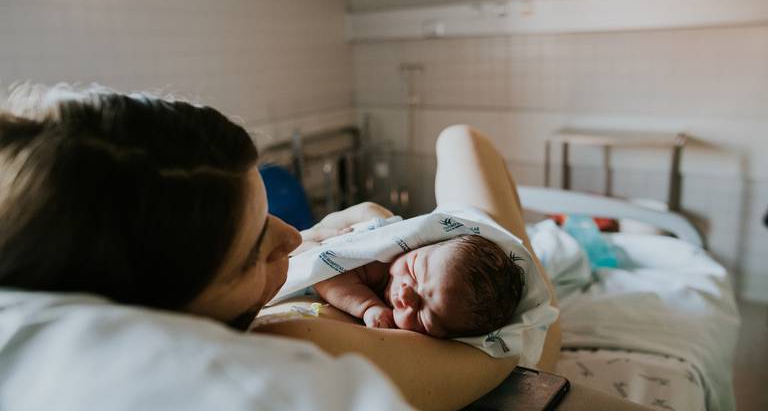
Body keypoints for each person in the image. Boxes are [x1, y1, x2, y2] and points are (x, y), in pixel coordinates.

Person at [0, 85, 651, 410]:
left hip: (454, 246)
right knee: (463, 142)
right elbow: (497, 350)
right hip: (512, 297)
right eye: (257, 249)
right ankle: (549, 248)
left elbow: (309, 247)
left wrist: (327, 237)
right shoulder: (296, 345)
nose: (293, 236)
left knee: (460, 138)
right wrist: (511, 278)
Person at [313, 233, 525, 337]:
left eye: (424, 316)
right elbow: (324, 275)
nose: (406, 295)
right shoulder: (379, 263)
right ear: (423, 245)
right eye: (414, 270)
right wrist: (368, 306)